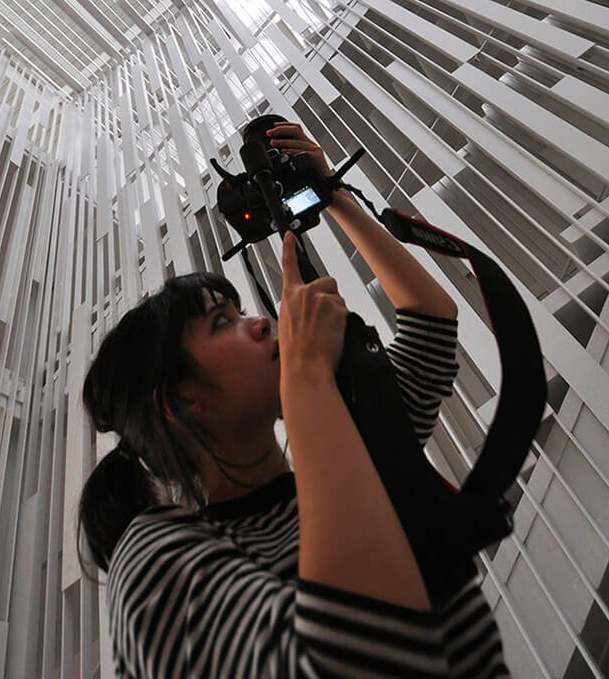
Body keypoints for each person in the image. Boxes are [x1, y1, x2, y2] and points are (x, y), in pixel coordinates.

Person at [78, 121, 510, 677]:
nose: (261, 323)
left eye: (241, 312)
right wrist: (305, 378)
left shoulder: (345, 461)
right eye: (221, 323)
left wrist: (332, 194)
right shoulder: (156, 561)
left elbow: (430, 324)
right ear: (179, 400)